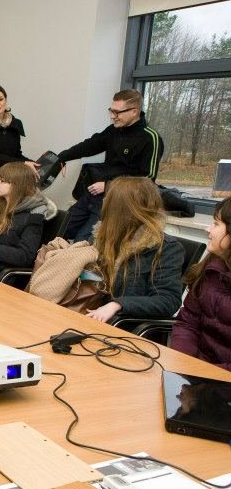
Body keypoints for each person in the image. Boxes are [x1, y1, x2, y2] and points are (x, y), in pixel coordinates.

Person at [57, 89, 164, 242]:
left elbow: (146, 180)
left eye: (117, 112)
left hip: (118, 201)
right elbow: (88, 146)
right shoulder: (113, 130)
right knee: (60, 230)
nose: (112, 116)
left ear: (134, 111)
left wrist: (109, 186)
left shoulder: (150, 138)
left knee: (83, 243)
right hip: (95, 195)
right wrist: (60, 157)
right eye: (111, 111)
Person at [84, 176, 184, 323]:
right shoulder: (100, 238)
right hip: (90, 313)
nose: (104, 204)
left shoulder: (166, 248)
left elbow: (168, 300)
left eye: (109, 201)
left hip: (125, 323)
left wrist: (118, 305)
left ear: (122, 209)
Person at [171, 197, 231, 370]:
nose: (208, 229)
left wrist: (206, 374)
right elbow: (187, 322)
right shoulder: (211, 268)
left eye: (216, 224)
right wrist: (184, 364)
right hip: (197, 371)